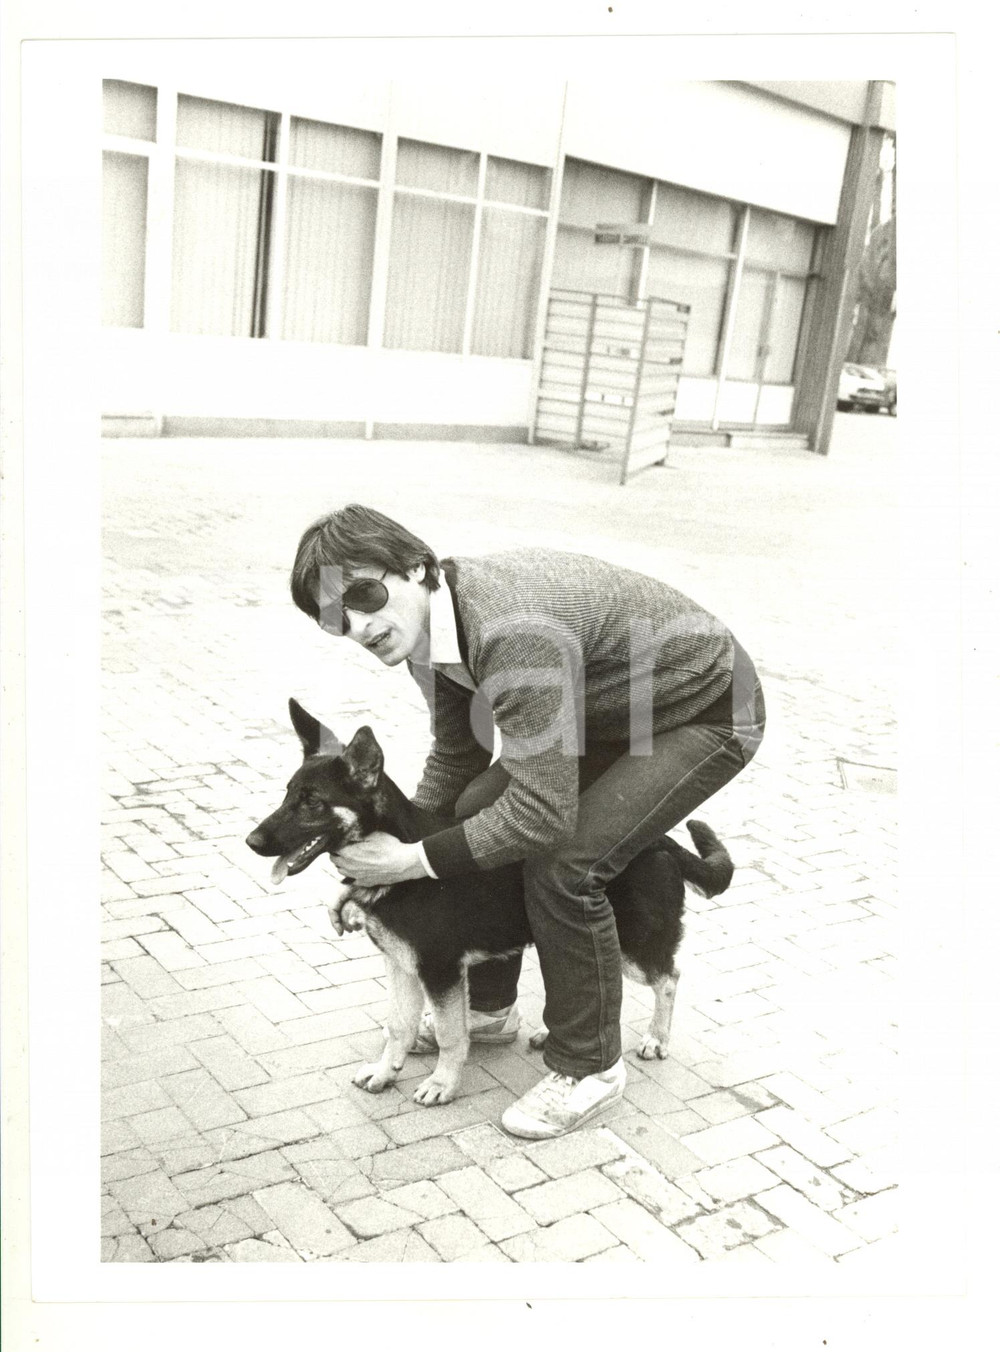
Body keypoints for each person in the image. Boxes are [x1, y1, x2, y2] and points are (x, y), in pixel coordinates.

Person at [289, 504, 765, 1140]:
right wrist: (378, 869)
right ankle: (488, 1008)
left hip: (706, 707)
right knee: (471, 811)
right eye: (334, 617)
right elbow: (457, 757)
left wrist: (409, 862)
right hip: (612, 711)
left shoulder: (512, 633)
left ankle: (590, 1067)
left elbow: (542, 811)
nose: (357, 626)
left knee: (567, 864)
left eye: (364, 596)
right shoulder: (426, 632)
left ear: (417, 569)